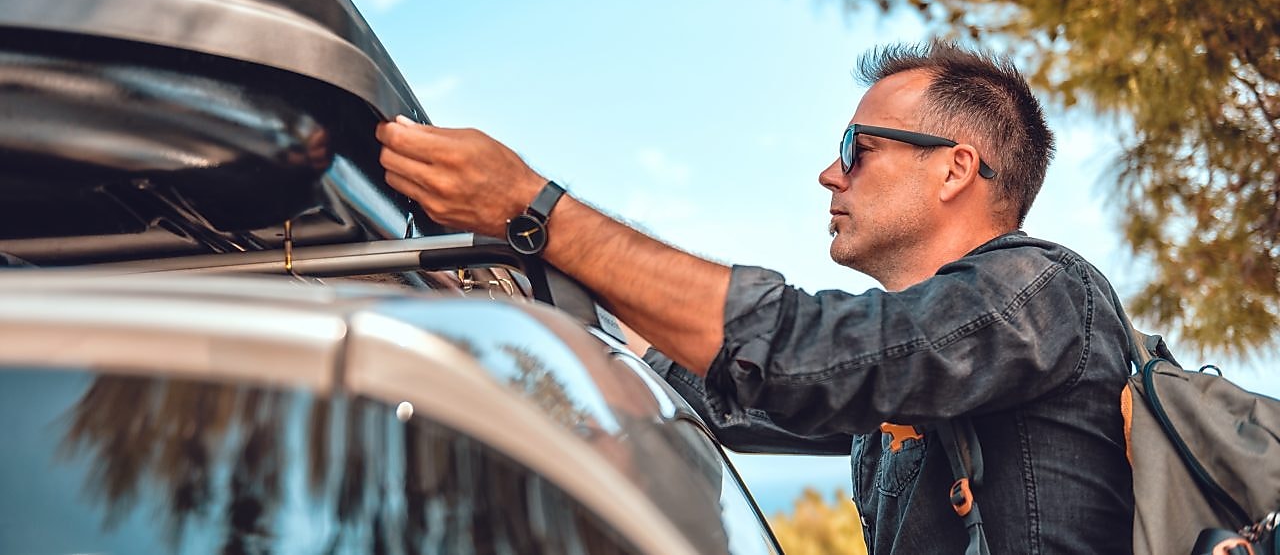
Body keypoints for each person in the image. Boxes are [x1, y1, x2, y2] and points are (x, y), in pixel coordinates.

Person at [376, 40, 1134, 554]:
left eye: (856, 149)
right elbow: (724, 393)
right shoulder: (911, 377)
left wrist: (537, 209)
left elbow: (805, 350)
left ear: (955, 169)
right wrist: (512, 289)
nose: (830, 175)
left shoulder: (1043, 294)